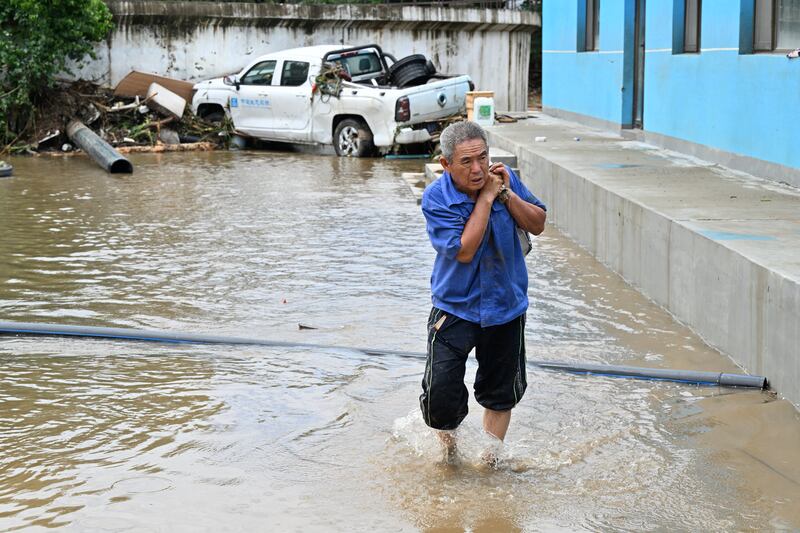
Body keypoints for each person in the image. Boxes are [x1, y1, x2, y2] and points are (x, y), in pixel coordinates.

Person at [419, 120, 547, 461]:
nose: (478, 169)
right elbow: (464, 250)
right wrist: (488, 198)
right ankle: (449, 455)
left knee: (499, 393)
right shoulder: (436, 198)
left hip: (506, 306)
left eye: (483, 158)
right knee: (440, 397)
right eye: (466, 162)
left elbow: (538, 223)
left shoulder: (503, 180)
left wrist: (505, 193)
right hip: (454, 308)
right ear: (446, 164)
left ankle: (489, 463)